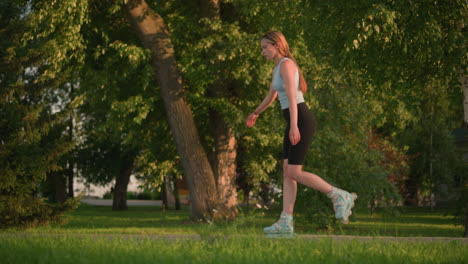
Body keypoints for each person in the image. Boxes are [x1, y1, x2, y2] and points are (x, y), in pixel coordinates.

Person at [246, 31, 357, 238]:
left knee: (295, 172)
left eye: (265, 47)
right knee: (287, 172)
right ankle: (285, 222)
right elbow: (272, 96)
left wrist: (294, 126)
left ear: (277, 45)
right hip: (292, 121)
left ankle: (339, 195)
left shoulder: (287, 65)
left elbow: (291, 95)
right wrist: (255, 113)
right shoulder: (277, 67)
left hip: (301, 121)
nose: (262, 52)